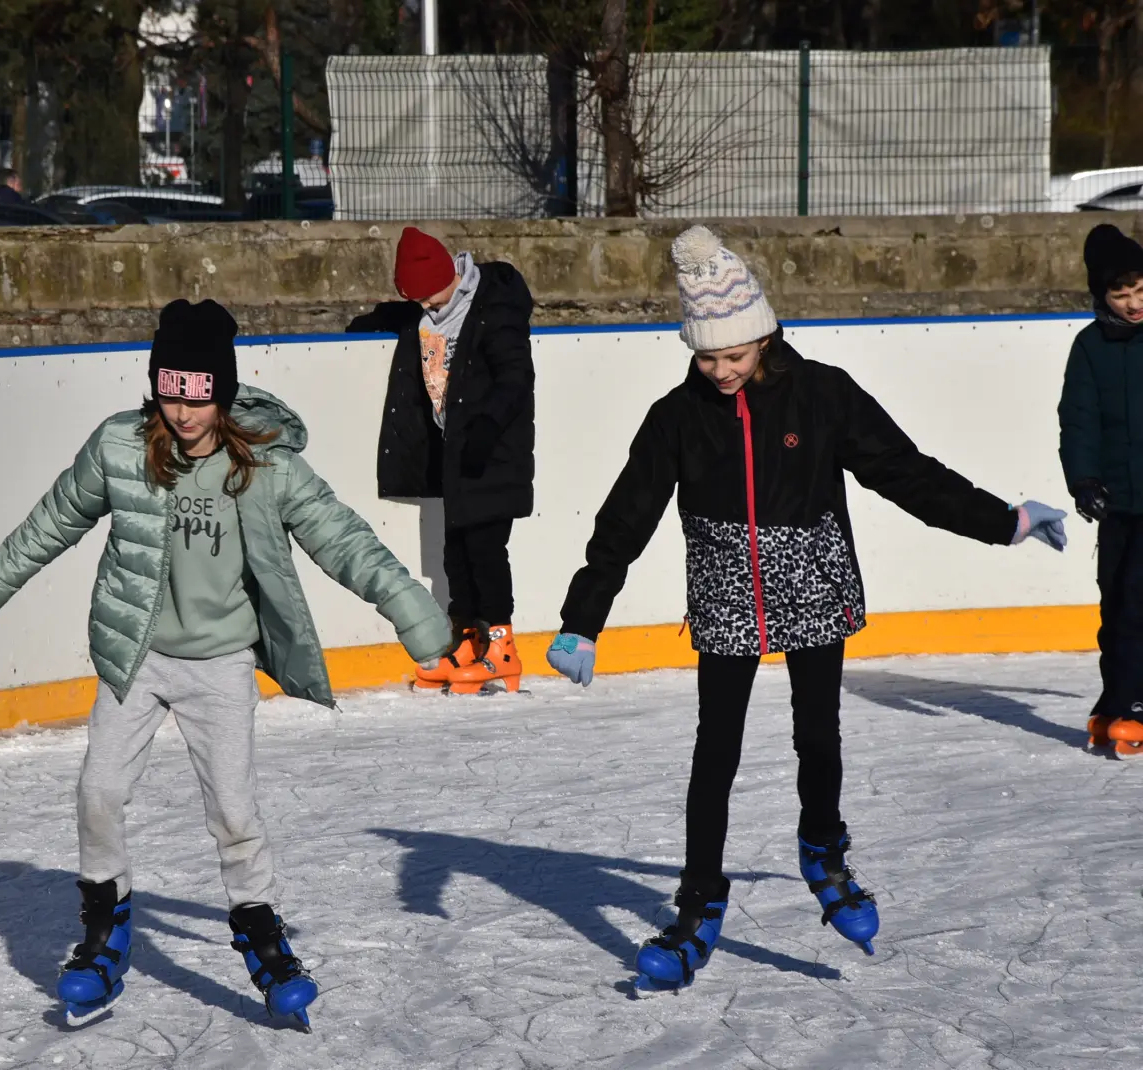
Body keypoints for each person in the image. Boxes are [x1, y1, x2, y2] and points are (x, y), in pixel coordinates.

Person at [547, 225, 1067, 989]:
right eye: (705, 356)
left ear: (763, 336)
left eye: (733, 354)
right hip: (727, 595)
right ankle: (698, 906)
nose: (720, 370)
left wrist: (1003, 521)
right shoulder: (676, 416)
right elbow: (625, 516)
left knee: (817, 735)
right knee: (713, 755)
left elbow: (905, 473)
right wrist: (582, 619)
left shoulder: (824, 395)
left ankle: (823, 848)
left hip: (814, 583)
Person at [0, 299, 451, 1028]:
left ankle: (263, 941)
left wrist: (411, 610)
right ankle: (102, 935)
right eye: (171, 392)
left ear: (222, 390)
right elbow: (56, 517)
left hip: (219, 666)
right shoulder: (120, 447)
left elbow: (343, 540)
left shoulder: (267, 465)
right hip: (138, 657)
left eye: (198, 395)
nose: (184, 413)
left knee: (234, 813)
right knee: (97, 792)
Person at [348, 226, 536, 695]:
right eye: (420, 302)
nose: (428, 308)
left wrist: (488, 426)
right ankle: (470, 642)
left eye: (432, 298)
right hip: (455, 454)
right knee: (457, 553)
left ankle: (502, 648)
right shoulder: (428, 314)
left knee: (487, 553)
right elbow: (407, 316)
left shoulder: (493, 310)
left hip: (493, 453)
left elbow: (516, 375)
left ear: (450, 275)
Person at [1059, 223, 1143, 759]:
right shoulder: (1090, 346)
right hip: (1117, 501)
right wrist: (1084, 480)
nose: (1134, 304)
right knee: (1115, 603)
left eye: (1141, 291)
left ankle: (1135, 704)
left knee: (1138, 600)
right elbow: (1079, 419)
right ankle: (1115, 700)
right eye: (1121, 295)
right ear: (1102, 296)